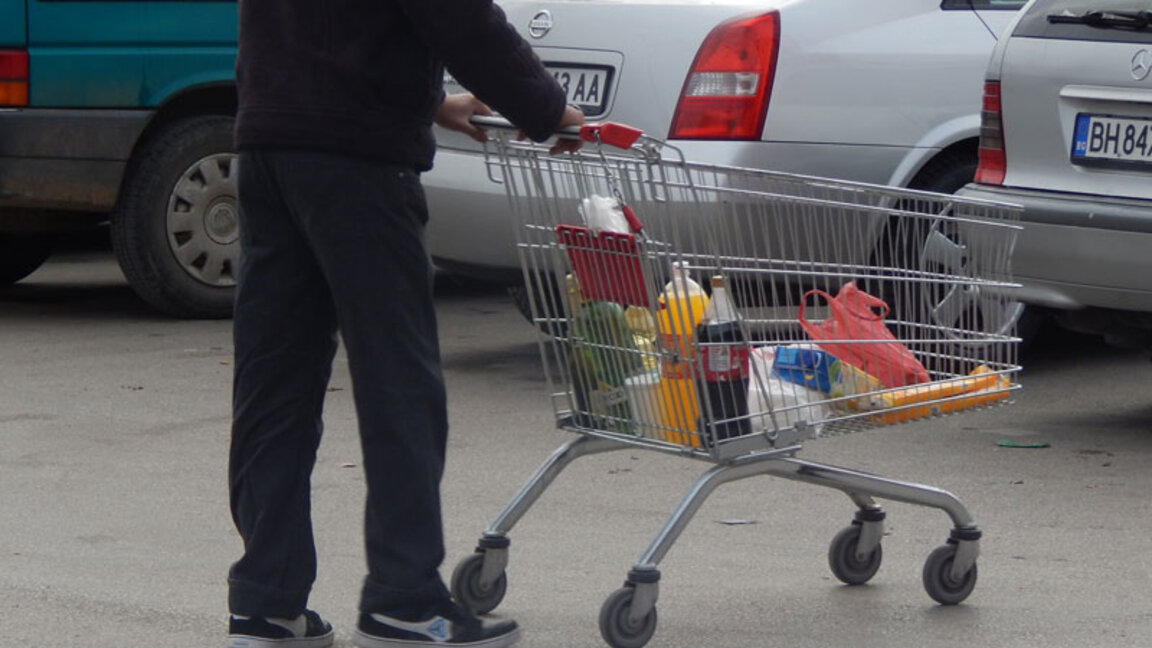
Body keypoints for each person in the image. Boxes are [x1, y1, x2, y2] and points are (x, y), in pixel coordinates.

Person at [224, 2, 583, 647]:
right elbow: (459, 16)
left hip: (269, 143)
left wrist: (432, 99)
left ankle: (266, 604)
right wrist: (546, 110)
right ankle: (403, 600)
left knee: (273, 385)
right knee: (400, 383)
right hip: (357, 162)